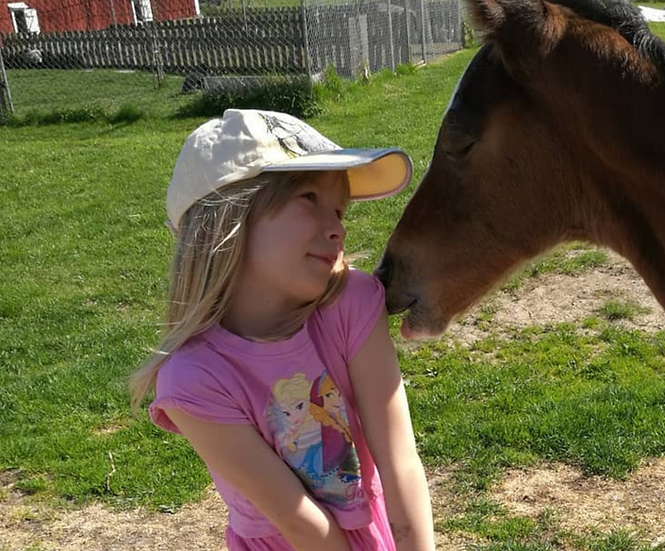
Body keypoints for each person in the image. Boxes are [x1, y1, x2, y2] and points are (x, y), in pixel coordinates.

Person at [129, 108, 435, 551]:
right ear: (229, 218)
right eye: (309, 198)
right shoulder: (192, 381)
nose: (337, 229)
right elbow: (302, 522)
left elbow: (400, 461)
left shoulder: (351, 304)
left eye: (339, 209)